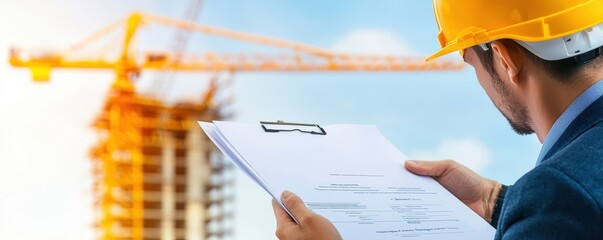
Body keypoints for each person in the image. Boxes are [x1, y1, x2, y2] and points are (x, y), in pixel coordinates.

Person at [271, 0, 603, 239]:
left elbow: (571, 207)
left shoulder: (559, 194)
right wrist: (495, 202)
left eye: (468, 59)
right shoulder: (565, 195)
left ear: (504, 59)